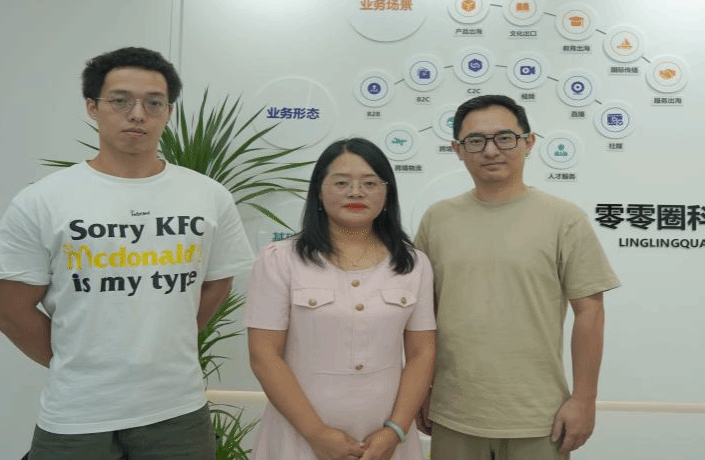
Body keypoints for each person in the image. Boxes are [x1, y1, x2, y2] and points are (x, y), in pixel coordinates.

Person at [0, 46, 252, 459]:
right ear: (92, 106)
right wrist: (78, 363)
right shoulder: (43, 201)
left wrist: (165, 344)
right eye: (120, 101)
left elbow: (217, 283)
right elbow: (8, 310)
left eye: (154, 103)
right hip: (76, 413)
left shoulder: (209, 197)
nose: (138, 114)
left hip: (177, 410)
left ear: (169, 112)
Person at [414, 94, 620, 460]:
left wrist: (584, 399)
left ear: (528, 142)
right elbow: (422, 315)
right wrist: (421, 388)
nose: (491, 150)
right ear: (457, 150)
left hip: (540, 417)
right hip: (454, 412)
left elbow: (590, 311)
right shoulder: (437, 219)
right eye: (475, 141)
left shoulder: (564, 219)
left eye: (504, 138)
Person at [245, 137, 436, 460]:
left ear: (387, 194)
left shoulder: (412, 264)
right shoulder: (280, 259)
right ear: (319, 192)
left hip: (386, 439)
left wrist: (396, 430)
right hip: (300, 435)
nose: (356, 192)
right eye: (341, 182)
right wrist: (316, 434)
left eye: (370, 183)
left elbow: (422, 353)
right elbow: (264, 355)